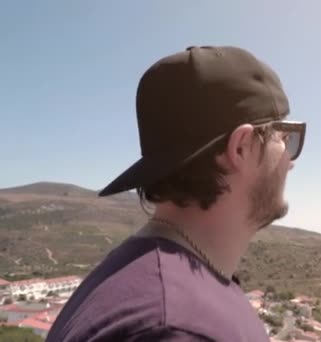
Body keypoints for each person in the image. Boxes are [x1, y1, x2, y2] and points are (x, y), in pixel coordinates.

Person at [46, 45, 306, 341]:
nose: (292, 161)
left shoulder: (143, 278)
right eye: (285, 138)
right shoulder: (176, 327)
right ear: (241, 147)